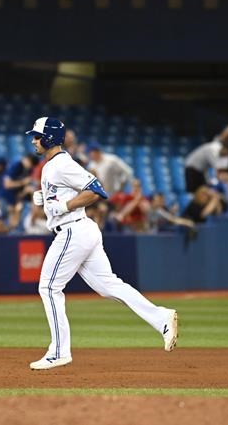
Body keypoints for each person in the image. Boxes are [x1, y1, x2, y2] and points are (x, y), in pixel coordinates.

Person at [27, 116, 178, 370]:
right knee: (109, 286)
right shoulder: (52, 166)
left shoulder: (61, 163)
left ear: (50, 137)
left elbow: (97, 189)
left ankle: (59, 351)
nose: (33, 140)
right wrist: (48, 197)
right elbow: (63, 194)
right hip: (82, 230)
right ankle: (161, 318)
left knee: (49, 287)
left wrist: (65, 205)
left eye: (37, 136)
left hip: (73, 231)